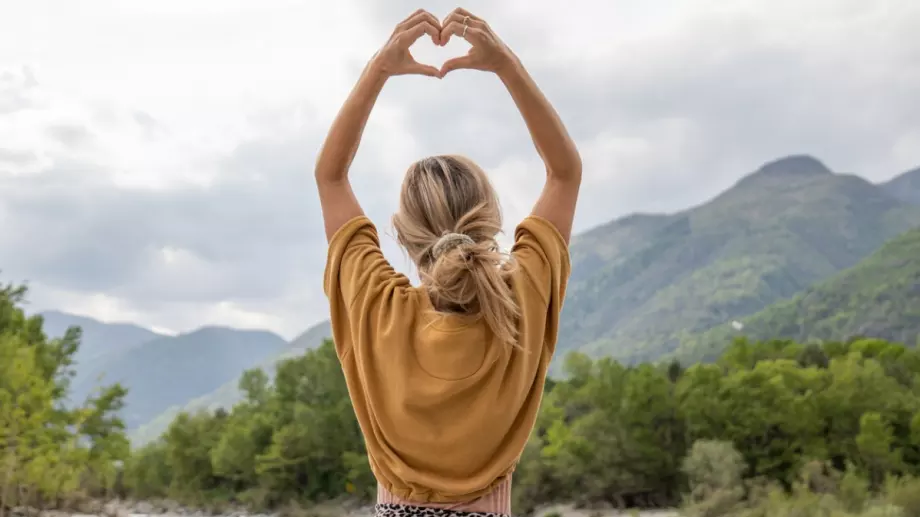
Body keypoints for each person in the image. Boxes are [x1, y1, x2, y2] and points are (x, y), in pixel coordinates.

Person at [317, 7, 581, 517]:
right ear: (490, 223)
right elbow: (564, 174)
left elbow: (330, 177)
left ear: (403, 232)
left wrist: (379, 68)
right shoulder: (520, 304)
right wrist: (505, 65)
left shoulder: (377, 307)